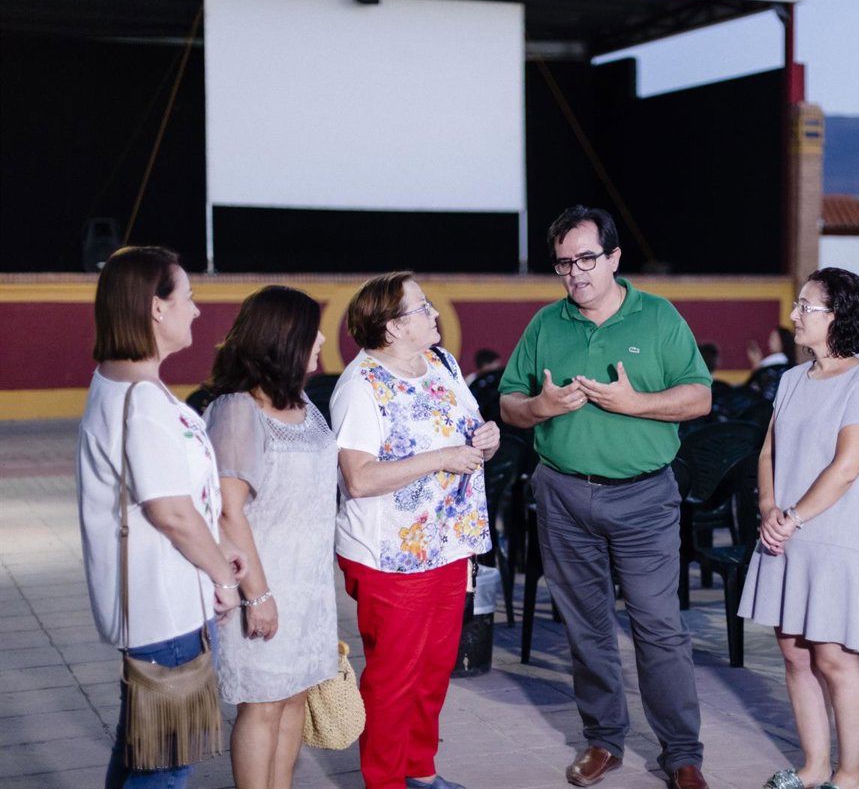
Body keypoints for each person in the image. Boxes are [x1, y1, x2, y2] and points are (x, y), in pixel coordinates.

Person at [499, 205, 713, 789]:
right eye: (564, 263)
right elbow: (509, 404)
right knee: (585, 627)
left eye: (587, 259)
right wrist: (539, 407)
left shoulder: (659, 317)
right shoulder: (546, 324)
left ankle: (681, 753)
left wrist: (635, 403)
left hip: (644, 499)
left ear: (614, 257)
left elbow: (699, 397)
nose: (575, 273)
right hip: (564, 495)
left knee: (659, 626)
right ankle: (603, 740)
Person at [77, 246, 244, 789]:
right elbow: (170, 511)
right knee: (165, 767)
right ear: (156, 307)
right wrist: (223, 578)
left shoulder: (119, 382)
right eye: (188, 297)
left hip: (153, 603)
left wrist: (219, 547)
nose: (195, 310)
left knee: (141, 751)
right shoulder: (142, 398)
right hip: (167, 609)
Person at [330, 272, 500, 789]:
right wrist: (441, 458)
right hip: (390, 555)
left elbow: (464, 435)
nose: (434, 313)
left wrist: (485, 440)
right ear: (392, 327)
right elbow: (359, 479)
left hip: (447, 543)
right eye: (423, 307)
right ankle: (384, 781)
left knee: (433, 669)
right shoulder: (361, 387)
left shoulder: (442, 363)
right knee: (393, 678)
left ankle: (420, 771)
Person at [739, 268, 859, 789]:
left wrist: (794, 517)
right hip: (783, 535)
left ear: (838, 316)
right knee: (794, 654)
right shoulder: (790, 380)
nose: (794, 316)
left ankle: (849, 776)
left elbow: (845, 469)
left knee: (834, 659)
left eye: (806, 307)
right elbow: (769, 451)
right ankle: (813, 767)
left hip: (831, 538)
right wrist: (768, 507)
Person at [203, 286, 339, 789]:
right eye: (311, 331)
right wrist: (257, 595)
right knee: (261, 705)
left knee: (295, 695)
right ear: (283, 338)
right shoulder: (237, 409)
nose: (321, 339)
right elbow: (228, 511)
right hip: (262, 582)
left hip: (309, 588)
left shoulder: (305, 406)